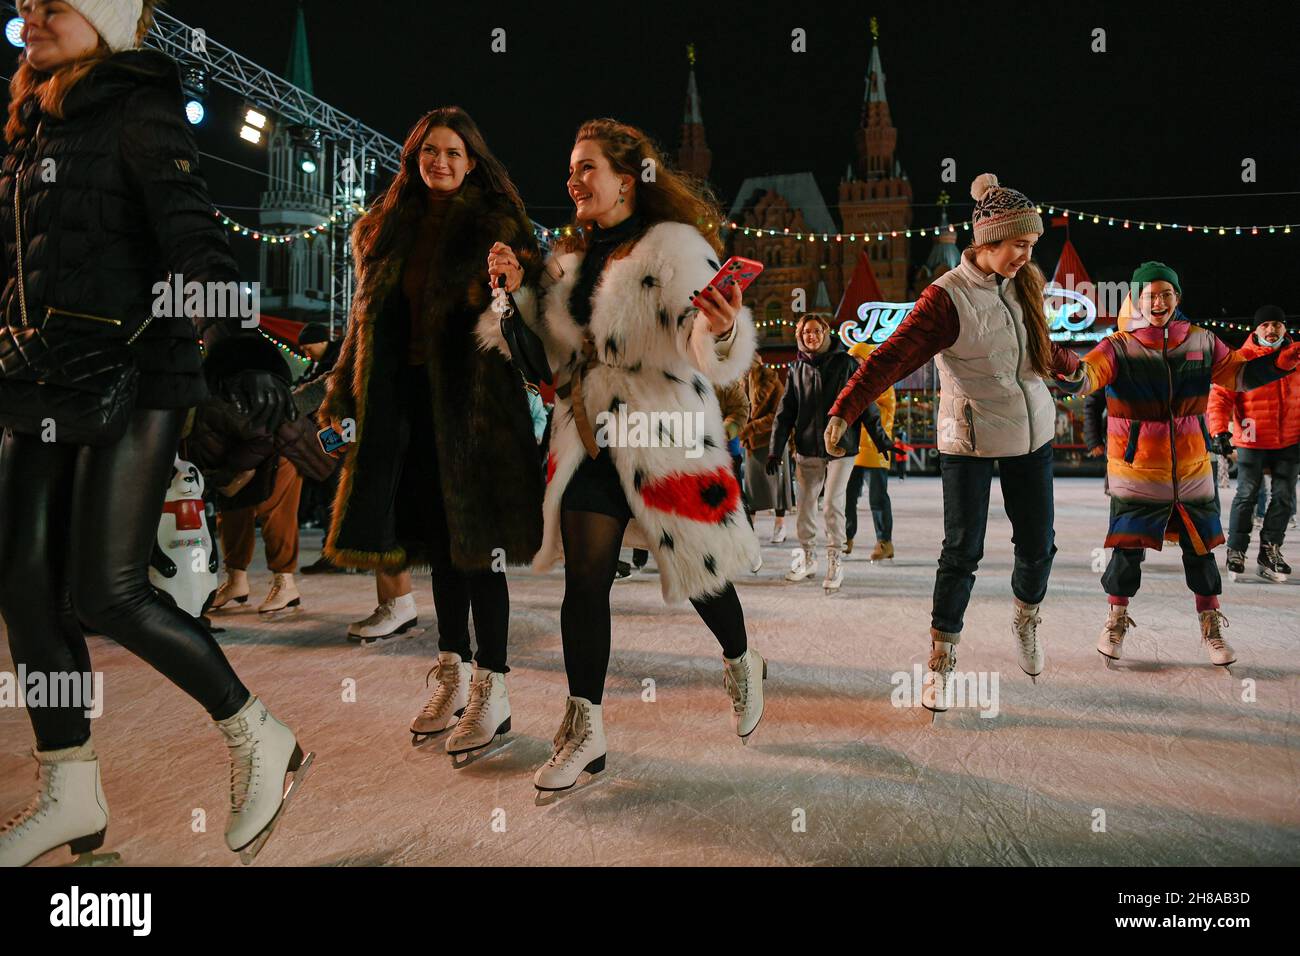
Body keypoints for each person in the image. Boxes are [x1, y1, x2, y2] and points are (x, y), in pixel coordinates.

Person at [0, 0, 307, 866]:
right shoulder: (29, 119)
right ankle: (70, 792)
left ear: (103, 19)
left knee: (107, 592)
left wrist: (237, 339)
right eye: (24, 3)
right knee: (24, 586)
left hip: (135, 373)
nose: (31, 15)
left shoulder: (140, 104)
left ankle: (257, 733)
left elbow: (191, 233)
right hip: (35, 374)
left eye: (52, 3)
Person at [480, 118, 766, 792]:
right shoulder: (571, 265)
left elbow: (702, 339)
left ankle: (741, 658)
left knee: (703, 575)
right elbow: (547, 362)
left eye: (587, 168)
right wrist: (516, 295)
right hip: (588, 439)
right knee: (586, 577)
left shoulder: (674, 247)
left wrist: (720, 328)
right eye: (571, 168)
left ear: (627, 178)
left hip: (662, 438)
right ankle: (586, 728)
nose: (573, 179)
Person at [318, 107, 544, 753]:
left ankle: (492, 689)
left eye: (453, 152)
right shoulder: (383, 230)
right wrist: (339, 398)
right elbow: (362, 330)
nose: (441, 162)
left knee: (481, 555)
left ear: (473, 161)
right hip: (404, 410)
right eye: (429, 152)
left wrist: (515, 281)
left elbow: (530, 312)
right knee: (437, 550)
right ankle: (452, 671)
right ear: (413, 159)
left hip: (476, 413)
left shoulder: (499, 229)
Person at [827, 173, 1081, 711]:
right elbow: (890, 357)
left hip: (1031, 434)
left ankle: (1026, 615)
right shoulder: (946, 299)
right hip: (968, 440)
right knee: (962, 551)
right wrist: (847, 406)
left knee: (1038, 545)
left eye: (1032, 245)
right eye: (1020, 245)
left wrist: (1072, 368)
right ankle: (942, 657)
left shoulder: (1025, 283)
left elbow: (1041, 346)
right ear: (988, 239)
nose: (1027, 255)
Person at [1056, 266, 1300, 667]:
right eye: (1150, 294)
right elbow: (1084, 379)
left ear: (1177, 297)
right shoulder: (1118, 347)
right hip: (1137, 470)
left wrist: (1278, 364)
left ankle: (1211, 625)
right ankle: (1115, 619)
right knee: (1126, 550)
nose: (1159, 301)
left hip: (1191, 468)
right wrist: (1063, 363)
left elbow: (1238, 373)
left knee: (1201, 550)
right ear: (1135, 299)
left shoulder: (1202, 341)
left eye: (1166, 293)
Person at [770, 314, 894, 591]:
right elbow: (785, 412)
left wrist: (880, 439)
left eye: (815, 331)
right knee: (804, 505)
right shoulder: (796, 369)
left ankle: (835, 559)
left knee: (832, 504)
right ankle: (809, 557)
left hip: (841, 447)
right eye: (805, 332)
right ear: (799, 337)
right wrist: (774, 449)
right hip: (807, 447)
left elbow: (864, 404)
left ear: (825, 332)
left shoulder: (847, 363)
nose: (810, 336)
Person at [1207, 304, 1299, 582]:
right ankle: (1236, 549)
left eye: (1277, 325)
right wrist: (1219, 431)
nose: (1271, 330)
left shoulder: (1295, 358)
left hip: (1290, 440)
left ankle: (1270, 550)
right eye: (1265, 325)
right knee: (1247, 494)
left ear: (1285, 328)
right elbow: (1221, 397)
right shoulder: (1241, 359)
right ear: (1256, 329)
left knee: (1284, 498)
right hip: (1252, 439)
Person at [844, 342, 896, 561]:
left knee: (877, 497)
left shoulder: (882, 381)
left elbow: (884, 410)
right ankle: (845, 537)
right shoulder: (848, 383)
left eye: (859, 360)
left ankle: (884, 542)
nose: (856, 365)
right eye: (853, 361)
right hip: (852, 447)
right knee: (847, 496)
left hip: (875, 446)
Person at [740, 355, 792, 543]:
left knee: (776, 484)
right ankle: (749, 526)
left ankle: (780, 524)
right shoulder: (739, 383)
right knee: (752, 485)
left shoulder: (772, 381)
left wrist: (751, 428)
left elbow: (778, 415)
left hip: (772, 441)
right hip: (752, 442)